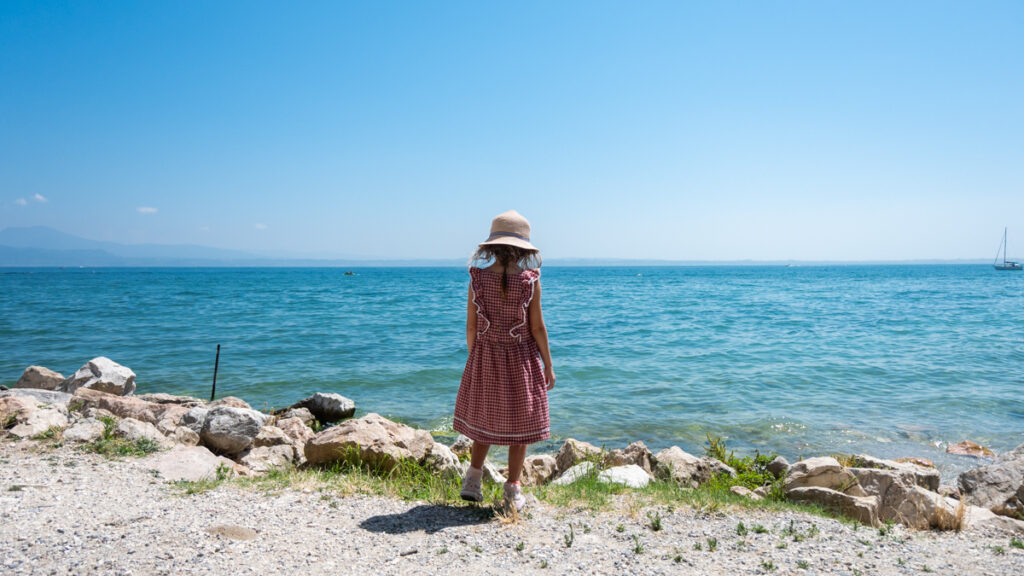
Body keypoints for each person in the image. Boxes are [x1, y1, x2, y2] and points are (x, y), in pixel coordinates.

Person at [453, 209, 555, 511]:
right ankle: (512, 488)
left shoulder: (477, 278)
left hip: (485, 355)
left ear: (492, 247)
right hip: (521, 356)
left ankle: (473, 478)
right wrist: (548, 364)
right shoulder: (530, 281)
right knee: (521, 422)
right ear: (523, 249)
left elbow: (471, 327)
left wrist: (476, 358)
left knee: (483, 419)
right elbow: (537, 327)